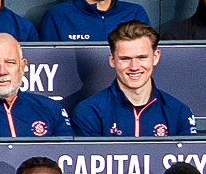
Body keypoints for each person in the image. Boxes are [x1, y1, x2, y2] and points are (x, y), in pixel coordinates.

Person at [67, 21, 196, 140]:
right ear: (112, 60)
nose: (134, 67)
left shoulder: (179, 112)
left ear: (155, 57)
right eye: (125, 58)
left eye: (142, 57)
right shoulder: (89, 112)